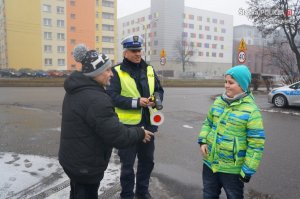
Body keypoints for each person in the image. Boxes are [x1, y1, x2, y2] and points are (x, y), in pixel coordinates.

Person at [58, 44, 154, 199]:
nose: (111, 74)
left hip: (73, 159)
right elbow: (117, 136)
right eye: (107, 70)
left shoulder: (77, 89)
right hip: (86, 164)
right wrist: (140, 132)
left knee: (76, 191)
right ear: (95, 73)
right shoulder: (96, 99)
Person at [106, 35, 164, 199]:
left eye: (139, 50)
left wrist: (156, 100)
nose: (138, 54)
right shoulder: (116, 72)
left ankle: (142, 192)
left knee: (147, 162)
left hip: (148, 126)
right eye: (133, 51)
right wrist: (136, 102)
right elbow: (111, 97)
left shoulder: (150, 70)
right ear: (125, 52)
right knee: (127, 166)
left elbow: (159, 90)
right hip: (127, 128)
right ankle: (126, 195)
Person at [197, 65, 265, 199]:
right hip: (210, 164)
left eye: (231, 82)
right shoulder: (218, 102)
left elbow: (256, 144)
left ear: (242, 85)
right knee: (209, 195)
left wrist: (247, 170)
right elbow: (208, 123)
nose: (226, 86)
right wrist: (203, 141)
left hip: (233, 170)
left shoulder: (251, 111)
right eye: (226, 82)